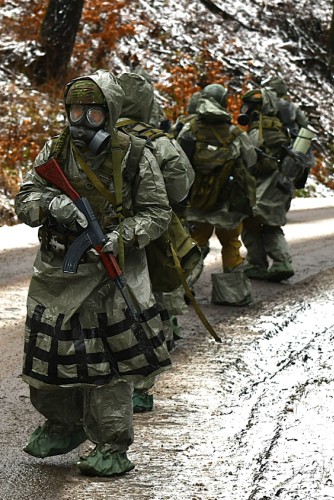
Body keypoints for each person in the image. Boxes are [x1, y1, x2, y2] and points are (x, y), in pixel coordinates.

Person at [14, 70, 172, 477]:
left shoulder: (136, 155)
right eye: (75, 111)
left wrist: (122, 236)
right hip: (57, 273)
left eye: (94, 114)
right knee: (49, 358)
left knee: (108, 365)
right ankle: (63, 424)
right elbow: (25, 197)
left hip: (110, 275)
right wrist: (52, 205)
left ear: (111, 113)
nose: (82, 122)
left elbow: (157, 213)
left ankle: (111, 444)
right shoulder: (55, 149)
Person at [116, 71, 195, 412]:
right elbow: (180, 189)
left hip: (102, 236)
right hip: (152, 239)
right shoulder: (161, 143)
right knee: (150, 307)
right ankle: (139, 387)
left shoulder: (95, 138)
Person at [177, 83, 257, 306]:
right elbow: (251, 160)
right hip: (226, 205)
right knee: (231, 244)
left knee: (194, 244)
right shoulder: (233, 132)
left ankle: (181, 290)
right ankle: (232, 296)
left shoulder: (190, 128)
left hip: (197, 203)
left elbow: (179, 160)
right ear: (222, 102)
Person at [239, 81, 310, 282]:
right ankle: (265, 263)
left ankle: (274, 262)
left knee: (257, 221)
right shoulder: (288, 117)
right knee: (264, 220)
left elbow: (250, 156)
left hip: (268, 178)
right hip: (283, 176)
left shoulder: (259, 127)